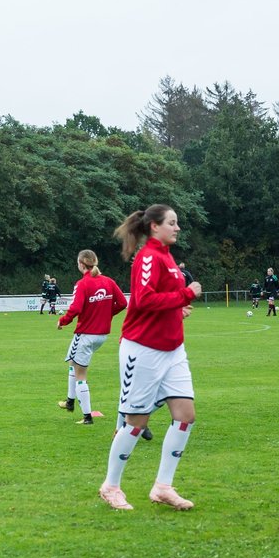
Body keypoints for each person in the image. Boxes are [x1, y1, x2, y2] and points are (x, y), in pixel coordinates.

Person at [99, 204, 203, 511]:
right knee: (135, 421)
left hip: (173, 350)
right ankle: (111, 486)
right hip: (142, 350)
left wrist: (177, 309)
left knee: (186, 416)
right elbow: (143, 301)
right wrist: (185, 295)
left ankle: (163, 487)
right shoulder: (147, 257)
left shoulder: (168, 258)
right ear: (154, 227)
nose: (178, 227)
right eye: (172, 222)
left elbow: (162, 300)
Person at [57, 250, 127, 425]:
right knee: (73, 363)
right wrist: (107, 314)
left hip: (86, 334)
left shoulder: (82, 284)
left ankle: (87, 417)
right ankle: (70, 402)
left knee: (80, 374)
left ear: (81, 264)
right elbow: (123, 303)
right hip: (101, 335)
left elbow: (75, 308)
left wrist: (62, 321)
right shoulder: (108, 281)